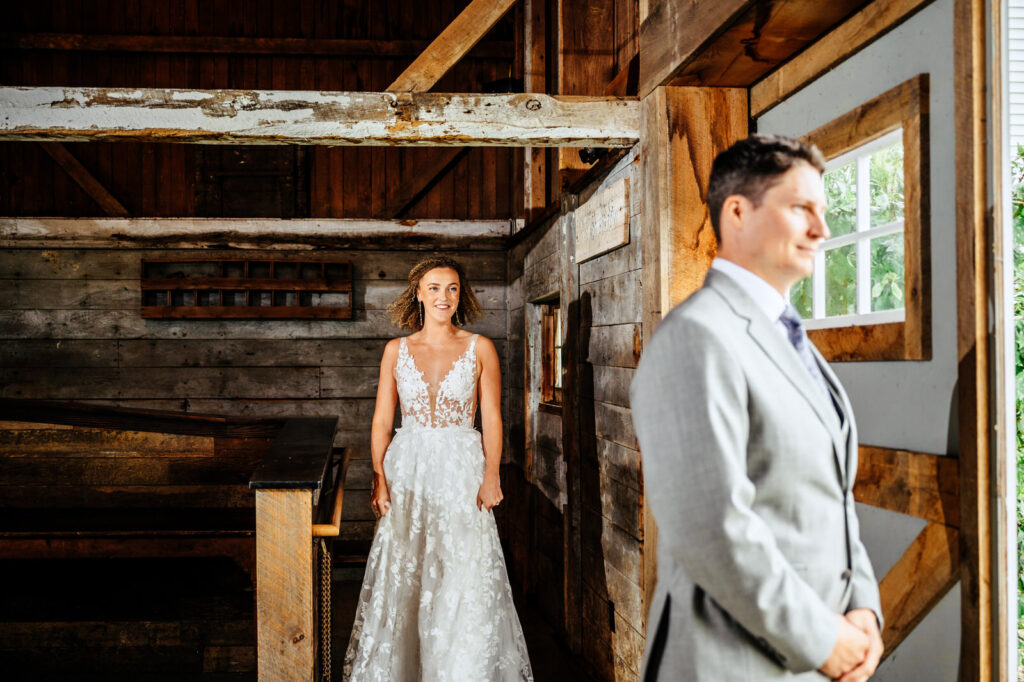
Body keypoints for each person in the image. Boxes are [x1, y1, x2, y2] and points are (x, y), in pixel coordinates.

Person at [629, 135, 884, 682]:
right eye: (801, 209)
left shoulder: (790, 339)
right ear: (738, 212)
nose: (823, 230)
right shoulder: (695, 338)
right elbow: (711, 529)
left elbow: (830, 497)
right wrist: (821, 640)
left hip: (815, 648)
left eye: (824, 210)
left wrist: (860, 604)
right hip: (729, 659)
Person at [343, 255, 533, 681]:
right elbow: (381, 421)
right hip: (407, 470)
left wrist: (491, 476)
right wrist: (379, 477)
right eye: (434, 287)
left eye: (451, 288)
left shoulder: (479, 347)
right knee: (406, 570)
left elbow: (493, 418)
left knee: (461, 569)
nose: (443, 296)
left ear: (460, 295)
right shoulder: (396, 350)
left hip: (462, 470)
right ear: (419, 293)